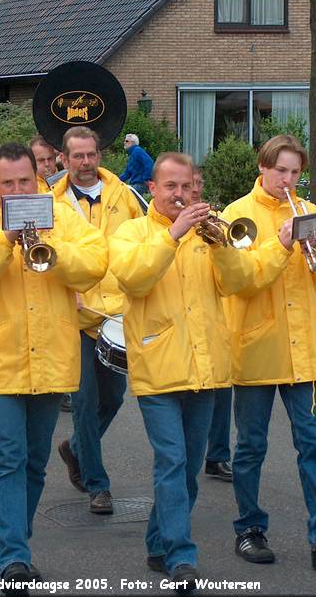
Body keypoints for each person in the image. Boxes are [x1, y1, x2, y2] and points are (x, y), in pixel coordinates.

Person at [0, 143, 107, 589]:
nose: (17, 190)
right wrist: (5, 239)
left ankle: (19, 539)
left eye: (25, 182)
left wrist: (49, 243)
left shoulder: (63, 215)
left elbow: (94, 265)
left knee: (35, 463)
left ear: (39, 179)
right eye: (7, 183)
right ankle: (12, 556)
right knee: (7, 460)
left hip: (51, 357)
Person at [221, 135, 316, 570]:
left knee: (313, 445)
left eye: (295, 172)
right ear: (263, 167)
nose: (288, 180)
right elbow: (241, 280)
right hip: (256, 346)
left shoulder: (309, 212)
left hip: (303, 348)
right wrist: (282, 244)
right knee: (250, 447)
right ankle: (249, 528)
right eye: (280, 171)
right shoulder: (236, 215)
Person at [109, 152, 254, 594]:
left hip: (206, 366)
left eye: (188, 187)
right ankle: (180, 555)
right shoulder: (132, 231)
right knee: (171, 461)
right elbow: (134, 279)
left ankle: (158, 542)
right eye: (171, 187)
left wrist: (221, 247)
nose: (181, 195)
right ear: (152, 189)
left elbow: (238, 284)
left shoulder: (208, 233)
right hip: (158, 366)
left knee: (189, 468)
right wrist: (173, 235)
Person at [52, 126, 144, 512]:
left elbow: (143, 239)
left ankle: (75, 449)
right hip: (73, 315)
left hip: (115, 316)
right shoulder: (48, 202)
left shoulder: (125, 196)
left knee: (113, 397)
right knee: (85, 402)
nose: (86, 163)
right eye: (78, 156)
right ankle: (97, 484)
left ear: (100, 156)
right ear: (64, 159)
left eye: (91, 155)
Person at [189, 166, 234, 483]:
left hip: (218, 315)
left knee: (222, 389)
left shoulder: (215, 217)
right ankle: (193, 454)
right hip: (185, 319)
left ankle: (217, 455)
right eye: (186, 186)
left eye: (196, 185)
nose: (193, 191)